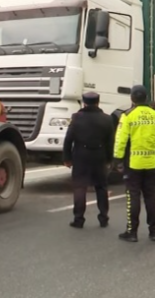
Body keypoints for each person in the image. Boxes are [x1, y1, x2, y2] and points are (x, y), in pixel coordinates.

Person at [113, 85, 155, 242]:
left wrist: (117, 159)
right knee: (151, 197)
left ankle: (132, 232)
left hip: (133, 163)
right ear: (146, 97)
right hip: (151, 163)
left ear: (132, 98)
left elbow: (121, 140)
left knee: (133, 196)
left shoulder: (128, 115)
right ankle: (154, 231)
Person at [63, 91, 115, 229]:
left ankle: (78, 219)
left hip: (81, 156)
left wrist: (67, 158)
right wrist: (109, 159)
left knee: (80, 187)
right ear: (98, 102)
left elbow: (69, 139)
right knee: (101, 187)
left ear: (84, 103)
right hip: (100, 156)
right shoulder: (107, 119)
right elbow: (110, 142)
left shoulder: (76, 118)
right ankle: (103, 217)